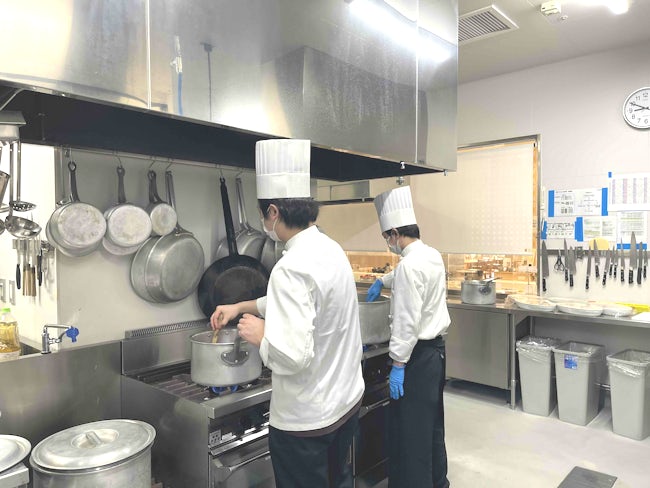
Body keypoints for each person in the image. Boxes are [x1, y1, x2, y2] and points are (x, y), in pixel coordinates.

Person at [210, 138, 364, 488]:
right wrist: (240, 307)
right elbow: (299, 306)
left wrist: (262, 336)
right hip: (344, 405)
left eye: (263, 215)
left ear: (274, 212)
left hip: (307, 422)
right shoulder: (330, 248)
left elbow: (292, 356)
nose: (264, 222)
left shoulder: (290, 267)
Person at [367, 185, 451, 488]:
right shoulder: (431, 255)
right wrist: (383, 279)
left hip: (417, 358)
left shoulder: (409, 266)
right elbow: (411, 275)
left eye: (386, 237)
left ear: (394, 233)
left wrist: (398, 364)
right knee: (431, 425)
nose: (388, 243)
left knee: (412, 432)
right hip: (436, 354)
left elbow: (406, 322)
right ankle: (438, 482)